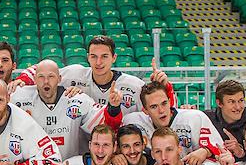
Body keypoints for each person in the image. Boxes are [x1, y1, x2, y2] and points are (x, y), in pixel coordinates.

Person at [13, 35, 173, 113]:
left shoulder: (133, 85)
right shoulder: (74, 74)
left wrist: (165, 87)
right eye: (94, 56)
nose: (98, 62)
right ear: (87, 57)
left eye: (104, 57)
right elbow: (42, 70)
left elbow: (165, 111)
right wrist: (22, 79)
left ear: (114, 58)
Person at [10, 59, 109, 161]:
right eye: (41, 77)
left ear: (59, 78)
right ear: (34, 79)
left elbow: (106, 125)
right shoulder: (19, 98)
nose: (46, 81)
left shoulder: (77, 99)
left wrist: (114, 107)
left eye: (51, 76)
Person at [118, 80, 223, 163]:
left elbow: (222, 150)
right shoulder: (132, 121)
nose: (161, 110)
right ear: (145, 110)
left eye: (164, 103)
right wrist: (116, 157)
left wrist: (206, 151)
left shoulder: (195, 118)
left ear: (170, 102)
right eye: (154, 106)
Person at [203, 80, 246, 163]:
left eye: (241, 100)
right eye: (231, 102)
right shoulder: (206, 118)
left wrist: (241, 153)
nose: (238, 107)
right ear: (219, 103)